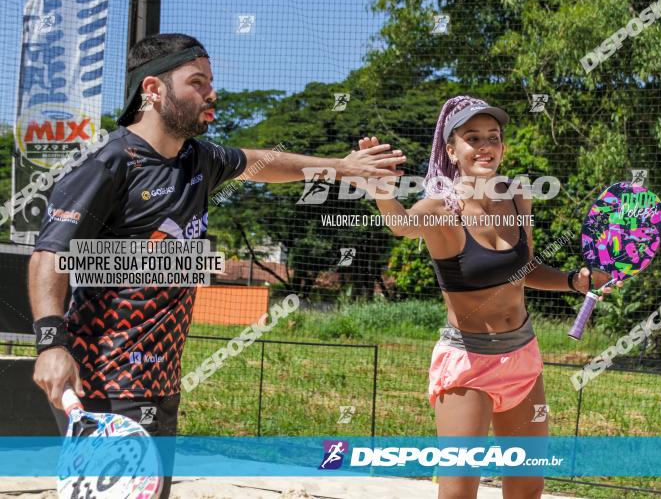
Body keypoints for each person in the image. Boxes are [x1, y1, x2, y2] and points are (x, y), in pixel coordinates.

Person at [28, 33, 405, 498]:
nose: (212, 93)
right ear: (153, 89)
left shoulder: (199, 159)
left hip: (160, 376)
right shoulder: (109, 163)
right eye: (198, 82)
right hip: (106, 376)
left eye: (211, 82)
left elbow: (268, 164)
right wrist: (50, 343)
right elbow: (50, 254)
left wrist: (343, 167)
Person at [357, 95, 620, 499]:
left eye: (493, 137)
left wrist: (575, 280)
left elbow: (527, 270)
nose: (485, 146)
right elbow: (401, 225)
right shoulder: (440, 207)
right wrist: (381, 191)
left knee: (528, 487)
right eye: (472, 137)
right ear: (450, 149)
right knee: (460, 490)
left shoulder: (517, 197)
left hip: (523, 357)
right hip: (468, 361)